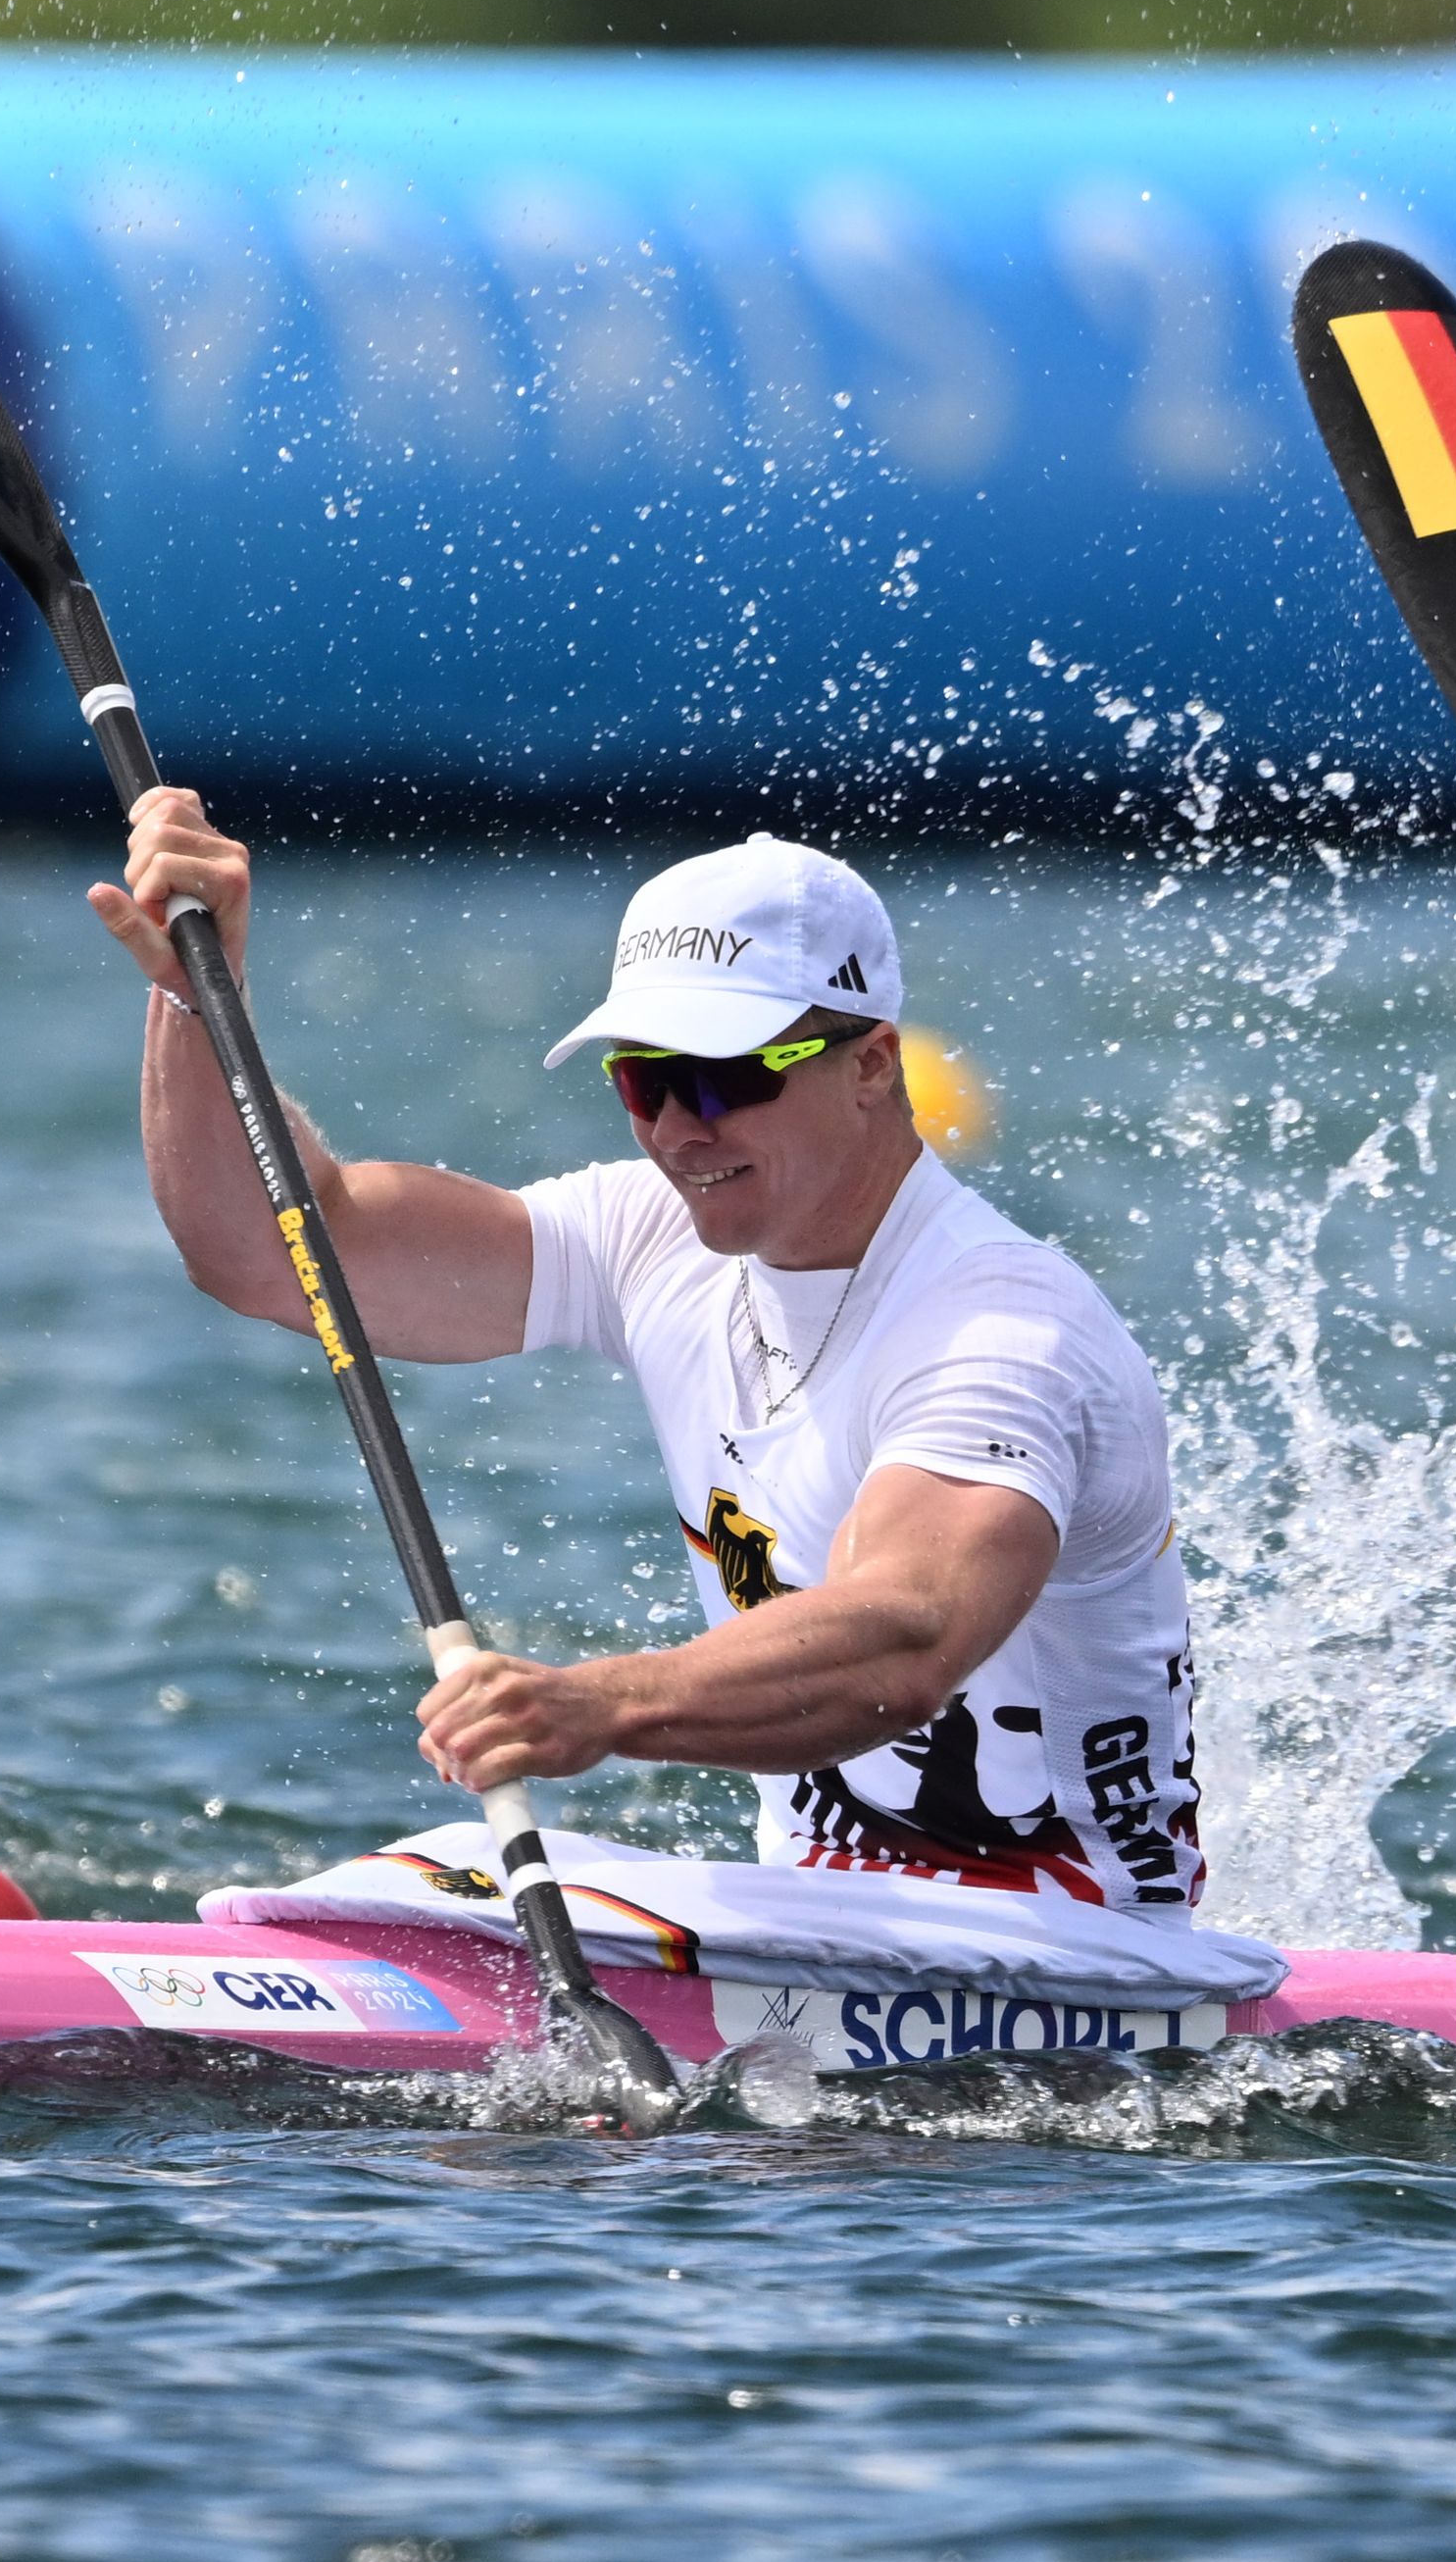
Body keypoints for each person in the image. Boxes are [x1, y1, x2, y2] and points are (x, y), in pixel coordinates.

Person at [102, 798, 1204, 1920]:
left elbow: (908, 1634)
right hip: (833, 1929)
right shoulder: (647, 1235)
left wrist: (597, 1706)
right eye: (645, 1078)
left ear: (873, 1063)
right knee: (407, 1879)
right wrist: (199, 994)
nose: (681, 1128)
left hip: (1087, 1955)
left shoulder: (1004, 1327)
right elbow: (279, 1255)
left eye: (730, 1076)